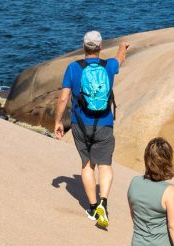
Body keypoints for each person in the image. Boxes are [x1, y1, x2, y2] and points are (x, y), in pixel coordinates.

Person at [53, 31, 129, 228]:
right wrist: (123, 46)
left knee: (87, 165)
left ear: (84, 46)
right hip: (104, 122)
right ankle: (104, 201)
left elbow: (63, 98)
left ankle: (93, 207)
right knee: (105, 165)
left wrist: (58, 121)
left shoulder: (74, 68)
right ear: (100, 47)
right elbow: (120, 58)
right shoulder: (109, 65)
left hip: (80, 123)